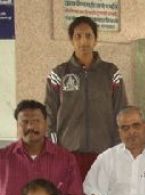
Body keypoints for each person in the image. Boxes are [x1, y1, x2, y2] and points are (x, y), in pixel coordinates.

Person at [45, 16, 128, 180]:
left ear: (95, 39)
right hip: (68, 153)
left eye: (89, 36)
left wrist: (119, 148)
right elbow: (49, 114)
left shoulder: (111, 73)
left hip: (103, 152)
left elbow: (121, 111)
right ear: (71, 40)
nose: (84, 41)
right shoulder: (59, 74)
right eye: (78, 36)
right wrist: (54, 149)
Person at [0, 100, 84, 195]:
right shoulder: (3, 158)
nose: (31, 127)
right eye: (25, 122)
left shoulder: (66, 159)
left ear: (46, 124)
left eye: (36, 121)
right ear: (18, 126)